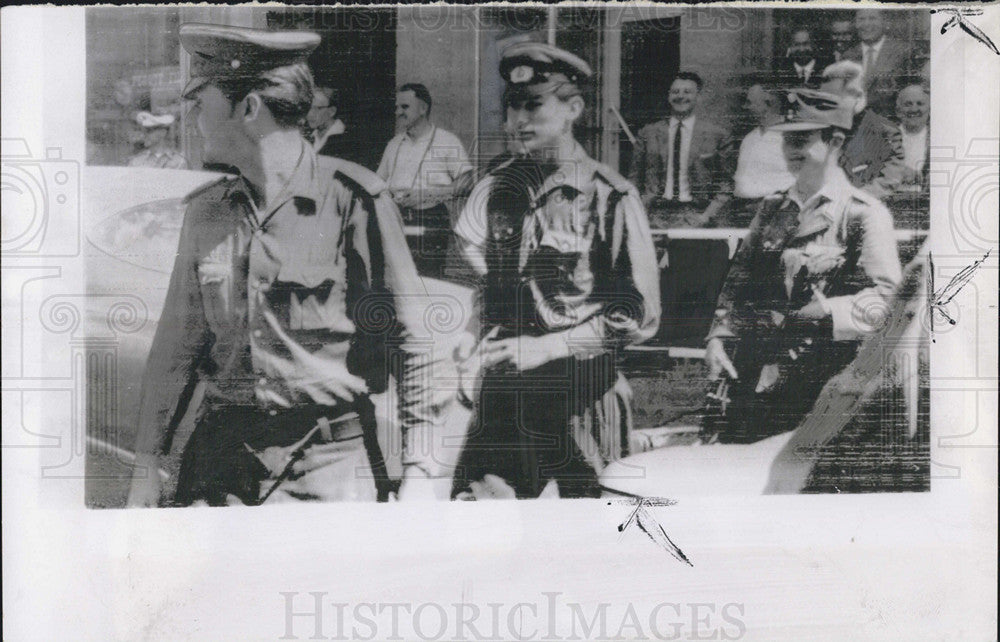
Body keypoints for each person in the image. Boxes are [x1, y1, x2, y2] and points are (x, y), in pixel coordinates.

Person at [127, 23, 444, 507]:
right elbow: (175, 350)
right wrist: (147, 467)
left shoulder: (352, 202)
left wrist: (421, 470)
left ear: (249, 108)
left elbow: (415, 343)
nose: (192, 117)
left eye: (201, 102)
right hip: (220, 465)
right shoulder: (206, 212)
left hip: (326, 466)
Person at [452, 41, 660, 498]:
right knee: (480, 524)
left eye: (533, 105)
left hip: (580, 397)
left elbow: (640, 315)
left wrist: (551, 345)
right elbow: (492, 281)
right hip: (507, 395)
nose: (518, 120)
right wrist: (472, 339)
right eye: (511, 108)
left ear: (573, 109)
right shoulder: (502, 189)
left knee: (587, 540)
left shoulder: (610, 196)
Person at [703, 87, 903, 445]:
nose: (791, 149)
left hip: (822, 381)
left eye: (803, 138)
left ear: (836, 141)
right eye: (786, 139)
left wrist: (825, 310)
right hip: (754, 376)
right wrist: (718, 337)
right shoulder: (772, 210)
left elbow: (886, 299)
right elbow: (737, 284)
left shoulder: (861, 214)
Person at [377, 83, 473, 276]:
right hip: (396, 220)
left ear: (423, 108)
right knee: (398, 281)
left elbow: (467, 183)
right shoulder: (394, 144)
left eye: (405, 107)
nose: (398, 112)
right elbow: (378, 182)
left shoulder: (446, 141)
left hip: (430, 220)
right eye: (397, 107)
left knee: (427, 283)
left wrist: (427, 195)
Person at [629, 71, 735, 229]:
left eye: (687, 92)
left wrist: (706, 216)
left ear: (699, 97)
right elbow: (634, 178)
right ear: (668, 96)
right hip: (654, 217)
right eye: (675, 91)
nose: (681, 96)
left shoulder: (717, 135)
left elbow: (726, 184)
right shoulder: (648, 133)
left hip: (695, 216)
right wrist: (640, 212)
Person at [821, 60, 907, 201]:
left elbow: (888, 181)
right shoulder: (819, 129)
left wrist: (849, 199)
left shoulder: (885, 132)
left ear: (860, 95)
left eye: (838, 97)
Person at [732, 80, 796, 206]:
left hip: (773, 213)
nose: (745, 107)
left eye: (749, 102)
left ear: (768, 103)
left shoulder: (792, 137)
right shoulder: (749, 138)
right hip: (741, 210)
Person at [844, 9, 913, 117]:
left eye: (872, 18)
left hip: (891, 123)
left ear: (884, 22)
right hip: (856, 125)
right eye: (861, 19)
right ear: (855, 24)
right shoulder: (848, 56)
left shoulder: (903, 51)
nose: (866, 24)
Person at [307, 86, 359, 163]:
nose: (310, 114)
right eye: (308, 107)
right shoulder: (308, 137)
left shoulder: (348, 139)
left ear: (332, 111)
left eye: (318, 108)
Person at [895, 83, 929, 188]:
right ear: (898, 111)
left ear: (929, 109)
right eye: (908, 104)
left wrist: (918, 176)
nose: (914, 109)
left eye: (920, 104)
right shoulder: (884, 139)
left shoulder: (940, 140)